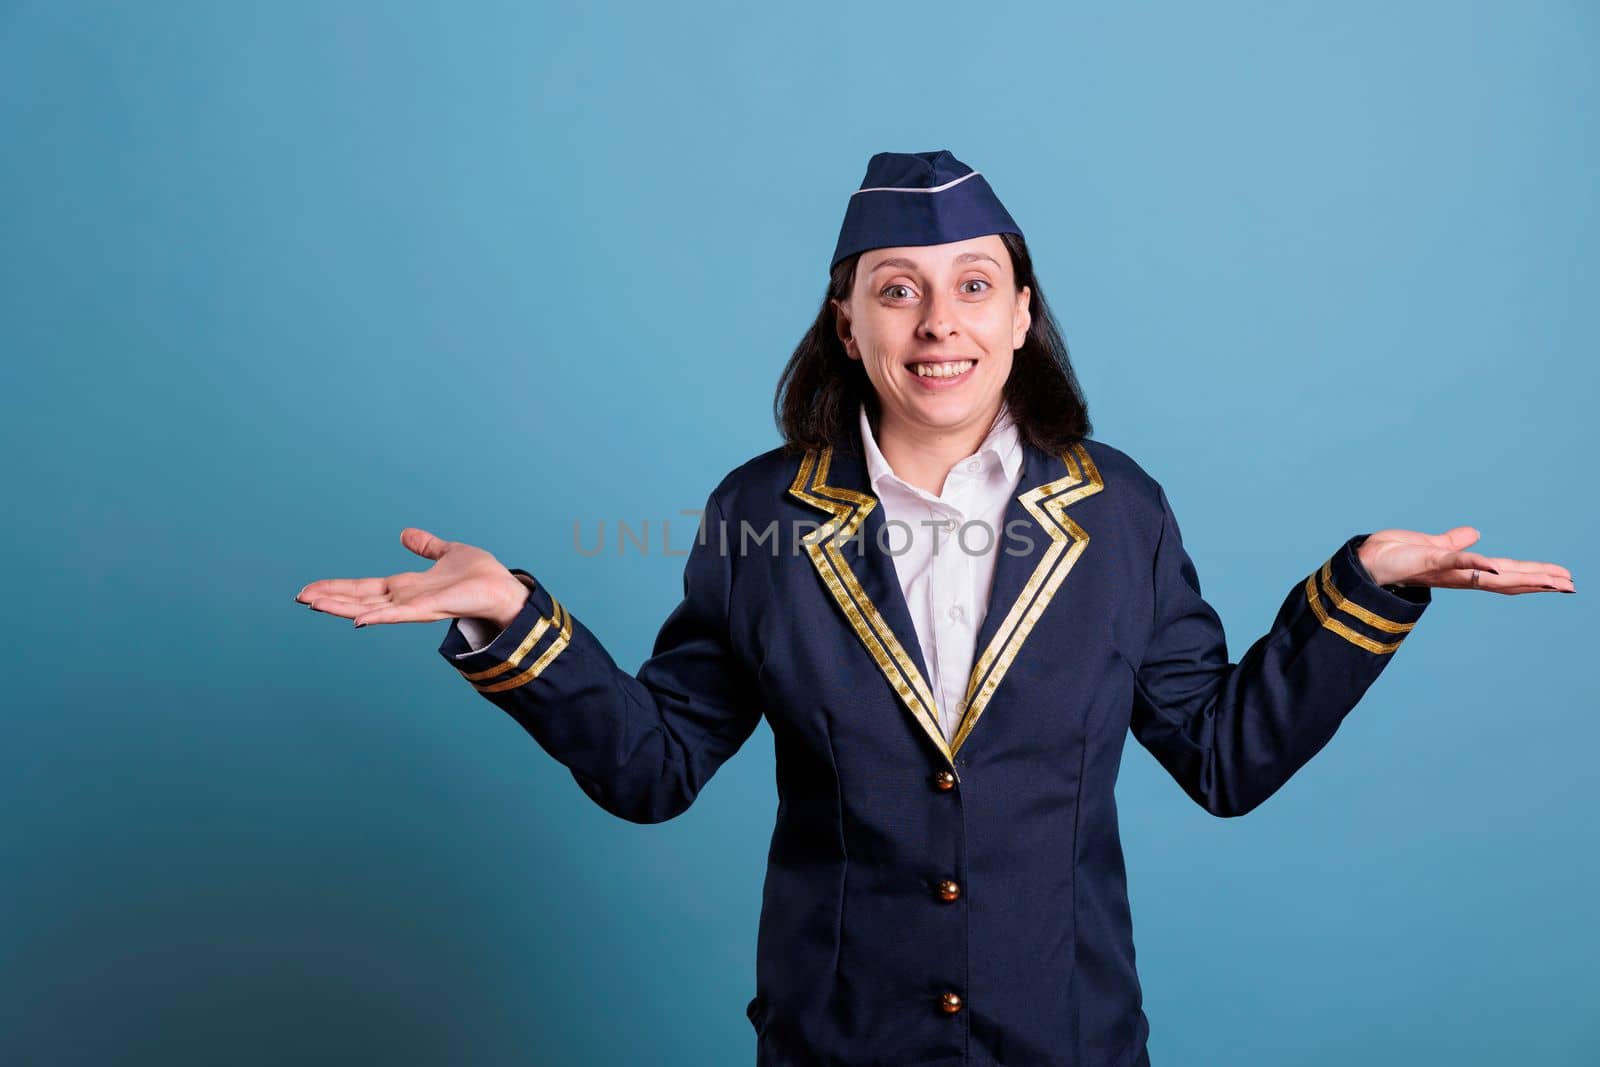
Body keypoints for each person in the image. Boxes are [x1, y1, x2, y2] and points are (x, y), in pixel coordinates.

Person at [295, 150, 1574, 1066]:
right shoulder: (763, 513)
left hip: (1068, 1038)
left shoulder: (1116, 508)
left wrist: (1364, 593)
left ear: (1022, 315)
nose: (936, 320)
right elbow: (657, 766)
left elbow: (1223, 753)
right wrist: (511, 617)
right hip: (835, 1039)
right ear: (846, 324)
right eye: (895, 286)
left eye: (973, 283)